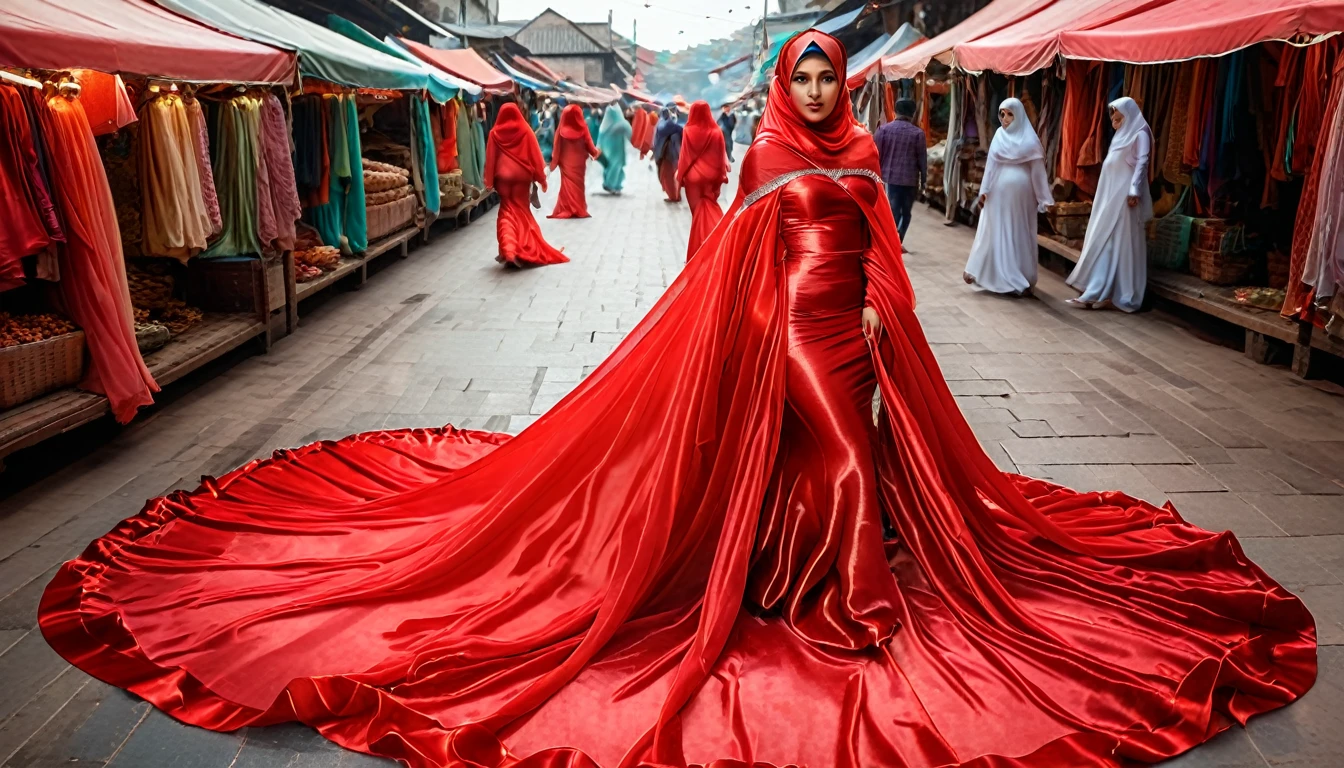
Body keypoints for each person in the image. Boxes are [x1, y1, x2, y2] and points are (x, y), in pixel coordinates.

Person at [38, 31, 1314, 768]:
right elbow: (740, 261)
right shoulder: (760, 152)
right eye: (804, 79)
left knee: (846, 464)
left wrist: (891, 308)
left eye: (829, 80)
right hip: (790, 335)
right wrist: (759, 330)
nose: (817, 95)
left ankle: (804, 572)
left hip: (861, 331)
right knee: (848, 466)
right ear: (781, 91)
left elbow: (881, 246)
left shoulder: (865, 151)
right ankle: (855, 604)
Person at [1066, 96, 1153, 311]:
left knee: (1120, 242)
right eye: (1113, 116)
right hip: (1111, 195)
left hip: (1125, 197)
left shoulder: (1140, 133)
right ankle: (1099, 290)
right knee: (1106, 239)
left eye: (1118, 115)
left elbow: (1142, 163)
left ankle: (1108, 292)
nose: (1115, 120)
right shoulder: (1122, 136)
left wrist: (1134, 190)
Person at [963, 98, 1053, 295]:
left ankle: (1016, 276)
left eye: (1009, 114)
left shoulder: (1029, 140)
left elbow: (1038, 172)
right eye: (1002, 114)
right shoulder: (1000, 135)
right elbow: (991, 166)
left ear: (1019, 115)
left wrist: (1044, 199)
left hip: (1020, 195)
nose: (1004, 119)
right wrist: (984, 191)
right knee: (995, 228)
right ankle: (990, 272)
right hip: (999, 192)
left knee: (1017, 231)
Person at [482, 102, 567, 267]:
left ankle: (509, 249)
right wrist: (541, 179)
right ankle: (521, 248)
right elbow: (535, 155)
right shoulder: (525, 130)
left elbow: (491, 158)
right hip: (522, 177)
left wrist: (489, 181)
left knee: (507, 211)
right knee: (522, 211)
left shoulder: (494, 133)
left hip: (503, 178)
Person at [678, 100, 730, 259]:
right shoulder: (716, 131)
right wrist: (721, 175)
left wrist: (680, 176)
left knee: (697, 214)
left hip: (693, 177)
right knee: (709, 206)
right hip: (711, 175)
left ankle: (699, 248)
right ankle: (717, 241)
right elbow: (721, 155)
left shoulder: (688, 131)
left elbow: (685, 157)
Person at [873, 97, 926, 242]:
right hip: (911, 180)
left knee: (892, 211)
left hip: (888, 178)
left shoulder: (883, 130)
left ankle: (889, 241)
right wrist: (924, 181)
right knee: (906, 213)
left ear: (895, 111)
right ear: (913, 113)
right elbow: (922, 159)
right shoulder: (918, 134)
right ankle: (899, 239)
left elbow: (875, 156)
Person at [548, 103, 600, 219]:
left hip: (565, 162)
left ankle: (567, 208)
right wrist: (596, 153)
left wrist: (553, 164)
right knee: (578, 185)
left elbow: (556, 148)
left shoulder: (560, 130)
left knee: (566, 185)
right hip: (579, 163)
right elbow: (590, 146)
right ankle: (578, 208)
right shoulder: (583, 128)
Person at [596, 103, 631, 193]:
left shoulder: (607, 120)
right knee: (616, 164)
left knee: (610, 164)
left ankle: (613, 184)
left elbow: (601, 132)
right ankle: (611, 184)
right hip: (615, 145)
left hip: (607, 144)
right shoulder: (617, 117)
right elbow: (627, 129)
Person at [652, 107, 683, 202]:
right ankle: (675, 195)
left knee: (668, 176)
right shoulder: (675, 124)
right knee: (671, 175)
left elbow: (662, 132)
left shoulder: (669, 125)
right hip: (672, 153)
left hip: (668, 154)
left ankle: (674, 196)